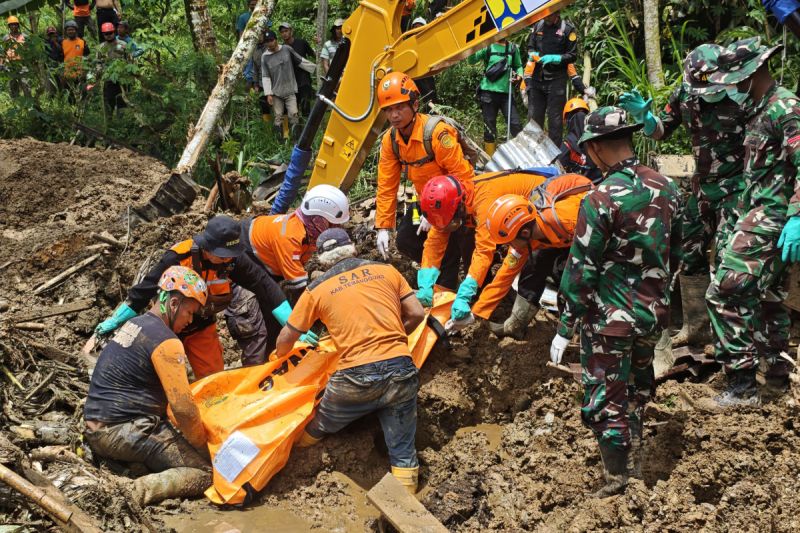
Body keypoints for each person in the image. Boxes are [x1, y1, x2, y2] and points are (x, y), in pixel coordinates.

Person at [549, 106, 681, 497]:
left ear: (596, 150)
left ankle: (618, 482)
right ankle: (635, 463)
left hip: (610, 321)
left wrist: (564, 326)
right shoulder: (668, 187)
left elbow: (581, 269)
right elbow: (682, 249)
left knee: (604, 396)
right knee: (638, 387)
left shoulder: (600, 199)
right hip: (652, 314)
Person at [619, 44, 750, 350]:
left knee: (731, 261)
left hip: (737, 187)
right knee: (689, 255)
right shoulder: (685, 95)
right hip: (702, 188)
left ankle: (734, 339)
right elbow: (662, 131)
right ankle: (697, 327)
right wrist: (646, 118)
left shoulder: (742, 94)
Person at [276, 228, 426, 494]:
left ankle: (294, 463)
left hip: (354, 380)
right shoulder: (387, 271)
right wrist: (392, 340)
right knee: (402, 450)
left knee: (321, 423)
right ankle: (408, 509)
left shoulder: (316, 289)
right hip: (401, 371)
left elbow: (286, 340)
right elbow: (416, 313)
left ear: (322, 259)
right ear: (352, 248)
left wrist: (278, 361)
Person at [704, 37, 800, 406]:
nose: (731, 86)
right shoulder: (759, 108)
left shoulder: (784, 107)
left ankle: (742, 385)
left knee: (724, 292)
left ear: (753, 71)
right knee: (768, 298)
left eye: (735, 78)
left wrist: (796, 215)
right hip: (757, 213)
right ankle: (775, 379)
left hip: (771, 217)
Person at [94, 215, 289, 379]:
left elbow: (264, 284)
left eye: (230, 255)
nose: (227, 259)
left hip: (201, 327)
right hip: (167, 327)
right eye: (222, 255)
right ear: (208, 247)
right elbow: (143, 291)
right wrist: (115, 320)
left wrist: (291, 322)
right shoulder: (178, 257)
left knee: (213, 380)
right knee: (160, 378)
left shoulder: (232, 261)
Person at [84, 266, 211, 506]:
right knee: (205, 473)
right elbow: (183, 409)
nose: (190, 320)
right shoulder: (166, 341)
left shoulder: (135, 324)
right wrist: (202, 447)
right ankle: (132, 493)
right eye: (190, 312)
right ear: (174, 303)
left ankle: (134, 467)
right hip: (121, 432)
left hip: (96, 426)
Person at [417, 170, 580, 333]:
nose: (448, 229)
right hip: (519, 224)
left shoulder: (485, 203)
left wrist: (464, 296)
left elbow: (483, 251)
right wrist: (425, 284)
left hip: (543, 211)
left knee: (537, 264)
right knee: (511, 263)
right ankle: (504, 314)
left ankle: (523, 321)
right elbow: (435, 240)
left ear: (459, 207)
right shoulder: (453, 204)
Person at [374, 71, 476, 294]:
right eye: (389, 110)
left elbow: (464, 178)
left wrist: (437, 215)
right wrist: (383, 226)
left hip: (457, 202)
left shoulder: (438, 134)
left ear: (415, 104)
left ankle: (446, 286)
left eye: (400, 107)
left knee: (452, 241)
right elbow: (386, 185)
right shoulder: (390, 141)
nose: (394, 115)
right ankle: (433, 267)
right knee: (405, 238)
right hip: (423, 202)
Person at [459, 173, 593, 338]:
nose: (509, 247)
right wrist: (477, 313)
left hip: (593, 235)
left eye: (509, 242)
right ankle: (517, 323)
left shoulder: (567, 220)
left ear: (524, 232)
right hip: (560, 237)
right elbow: (504, 275)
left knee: (569, 278)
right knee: (533, 263)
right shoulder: (524, 238)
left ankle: (584, 332)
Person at [226, 184, 349, 363]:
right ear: (319, 220)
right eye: (333, 224)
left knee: (279, 322)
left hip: (265, 269)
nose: (336, 229)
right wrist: (316, 323)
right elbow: (301, 292)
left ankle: (277, 362)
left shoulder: (308, 231)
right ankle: (256, 375)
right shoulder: (290, 237)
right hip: (239, 268)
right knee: (255, 326)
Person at [526, 12, 579, 145]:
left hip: (557, 80)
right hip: (537, 78)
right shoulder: (538, 25)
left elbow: (572, 55)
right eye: (544, 15)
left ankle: (554, 159)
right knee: (533, 119)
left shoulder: (567, 29)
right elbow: (530, 46)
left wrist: (557, 58)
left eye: (549, 15)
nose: (546, 18)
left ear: (557, 13)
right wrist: (532, 54)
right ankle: (531, 154)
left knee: (555, 122)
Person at [468, 38, 523, 155]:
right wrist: (472, 46)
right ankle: (490, 159)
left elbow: (518, 66)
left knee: (515, 124)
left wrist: (519, 75)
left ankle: (520, 156)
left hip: (506, 93)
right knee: (489, 128)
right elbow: (471, 60)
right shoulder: (487, 46)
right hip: (488, 93)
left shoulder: (513, 48)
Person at [261, 29, 315, 140]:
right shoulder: (265, 57)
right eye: (267, 41)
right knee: (278, 117)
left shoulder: (286, 49)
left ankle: (296, 141)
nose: (269, 43)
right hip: (276, 92)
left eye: (271, 40)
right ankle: (279, 144)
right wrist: (268, 94)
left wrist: (315, 68)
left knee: (294, 115)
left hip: (290, 90)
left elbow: (300, 61)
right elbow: (265, 76)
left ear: (276, 40)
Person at [556, 97, 602, 183]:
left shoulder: (567, 145)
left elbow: (558, 173)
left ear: (567, 121)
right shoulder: (597, 140)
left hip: (578, 189)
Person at [279, 22, 315, 116]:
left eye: (286, 31)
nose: (284, 33)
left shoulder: (302, 43)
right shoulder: (281, 49)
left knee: (305, 108)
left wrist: (319, 43)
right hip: (291, 83)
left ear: (291, 31)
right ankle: (297, 130)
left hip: (304, 80)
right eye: (282, 32)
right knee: (294, 110)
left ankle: (309, 129)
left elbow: (314, 55)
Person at [96, 22, 128, 113]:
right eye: (106, 34)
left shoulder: (123, 44)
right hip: (108, 79)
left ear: (114, 32)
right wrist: (98, 72)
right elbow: (98, 62)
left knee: (122, 101)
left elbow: (129, 59)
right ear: (103, 34)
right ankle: (109, 122)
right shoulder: (101, 47)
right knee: (109, 101)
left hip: (122, 77)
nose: (109, 35)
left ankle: (122, 122)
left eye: (110, 33)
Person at [410, 17, 437, 105]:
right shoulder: (409, 42)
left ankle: (432, 110)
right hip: (415, 73)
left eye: (419, 26)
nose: (417, 29)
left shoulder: (428, 41)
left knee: (430, 93)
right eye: (415, 27)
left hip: (426, 71)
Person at [1, 16, 30, 98]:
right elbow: (3, 52)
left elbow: (29, 50)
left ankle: (29, 101)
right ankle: (15, 102)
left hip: (22, 64)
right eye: (11, 25)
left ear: (18, 25)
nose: (13, 26)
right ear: (9, 26)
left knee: (25, 83)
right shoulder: (6, 38)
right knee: (12, 84)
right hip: (10, 64)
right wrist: (1, 64)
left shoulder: (24, 36)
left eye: (15, 24)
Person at [61, 20, 90, 96]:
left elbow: (87, 55)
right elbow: (61, 58)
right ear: (66, 31)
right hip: (68, 74)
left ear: (76, 30)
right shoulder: (63, 42)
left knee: (82, 94)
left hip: (80, 73)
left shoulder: (82, 42)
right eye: (69, 30)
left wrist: (86, 70)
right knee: (70, 96)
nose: (71, 31)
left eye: (72, 29)